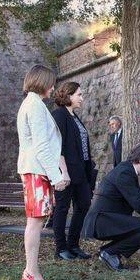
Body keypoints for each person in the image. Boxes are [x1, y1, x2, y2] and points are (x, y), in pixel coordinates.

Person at [17, 64, 68, 280]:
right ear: (42, 82)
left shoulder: (32, 103)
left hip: (34, 169)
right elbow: (41, 145)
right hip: (37, 169)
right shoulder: (34, 105)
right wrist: (56, 175)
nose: (53, 86)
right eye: (51, 82)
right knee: (35, 223)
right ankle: (31, 272)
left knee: (35, 222)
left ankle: (31, 271)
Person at [51, 82, 96, 261]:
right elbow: (57, 146)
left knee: (83, 204)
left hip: (81, 172)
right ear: (68, 96)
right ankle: (61, 249)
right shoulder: (59, 115)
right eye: (79, 94)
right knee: (62, 209)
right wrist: (63, 171)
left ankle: (73, 245)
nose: (82, 98)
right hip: (66, 171)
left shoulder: (75, 116)